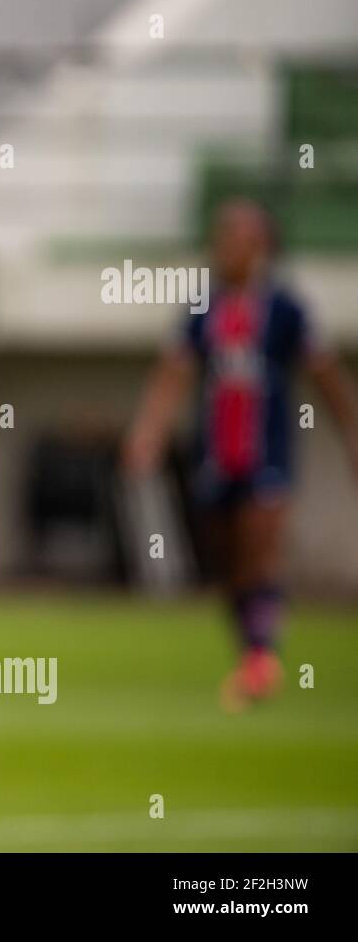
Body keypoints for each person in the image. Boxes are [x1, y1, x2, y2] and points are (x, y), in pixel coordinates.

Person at [122, 198, 358, 712]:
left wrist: (351, 431)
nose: (225, 248)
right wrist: (149, 432)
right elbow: (174, 374)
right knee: (226, 562)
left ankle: (260, 661)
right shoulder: (202, 309)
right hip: (215, 453)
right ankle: (251, 656)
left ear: (260, 246)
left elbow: (326, 376)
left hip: (267, 452)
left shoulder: (286, 309)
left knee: (260, 551)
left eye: (236, 238)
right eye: (221, 237)